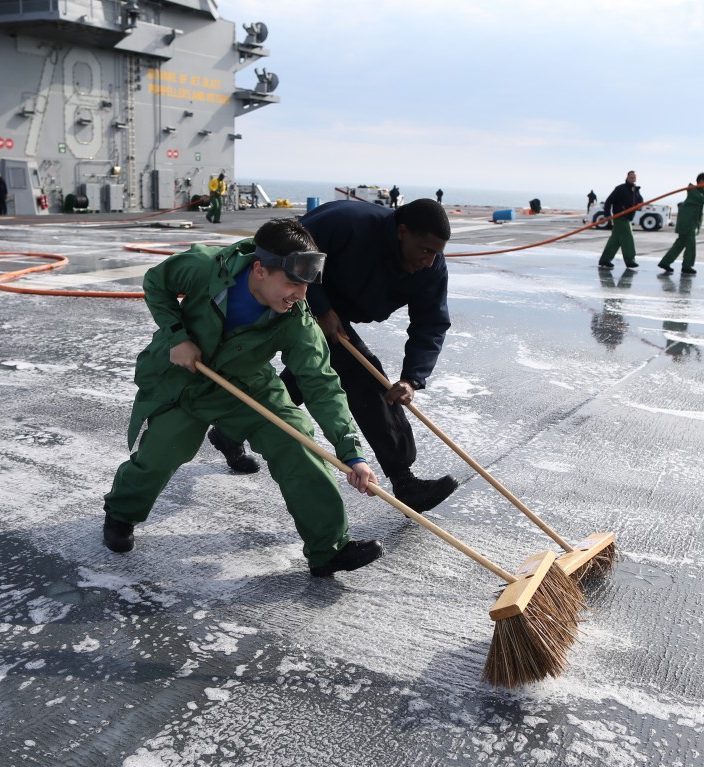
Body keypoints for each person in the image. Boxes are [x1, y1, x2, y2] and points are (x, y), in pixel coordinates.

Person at [101, 217, 384, 578]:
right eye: (292, 283)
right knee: (160, 454)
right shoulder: (205, 268)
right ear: (259, 270)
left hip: (247, 383)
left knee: (297, 443)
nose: (300, 295)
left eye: (307, 286)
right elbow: (157, 283)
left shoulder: (296, 320)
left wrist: (351, 453)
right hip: (185, 377)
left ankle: (328, 548)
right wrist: (177, 336)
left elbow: (321, 384)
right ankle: (121, 513)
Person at [208, 199, 459, 512]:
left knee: (306, 377)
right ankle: (403, 480)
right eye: (425, 250)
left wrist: (412, 377)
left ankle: (230, 431)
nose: (429, 260)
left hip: (339, 311)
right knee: (364, 375)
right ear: (403, 232)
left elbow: (431, 321)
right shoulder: (348, 223)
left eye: (437, 253)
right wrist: (322, 307)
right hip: (292, 295)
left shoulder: (431, 266)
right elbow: (294, 255)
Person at [657, 172, 704, 275]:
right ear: (701, 181)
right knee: (691, 245)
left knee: (679, 244)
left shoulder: (700, 191)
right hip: (688, 224)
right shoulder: (693, 190)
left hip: (689, 223)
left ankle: (665, 262)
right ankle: (687, 266)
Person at [597, 171, 643, 270]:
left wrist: (640, 205)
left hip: (627, 218)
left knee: (615, 240)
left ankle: (605, 260)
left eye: (634, 178)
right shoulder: (620, 189)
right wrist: (607, 214)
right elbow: (609, 200)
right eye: (631, 177)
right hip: (620, 217)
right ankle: (630, 261)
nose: (633, 179)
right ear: (627, 177)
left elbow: (640, 200)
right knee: (628, 237)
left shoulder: (635, 190)